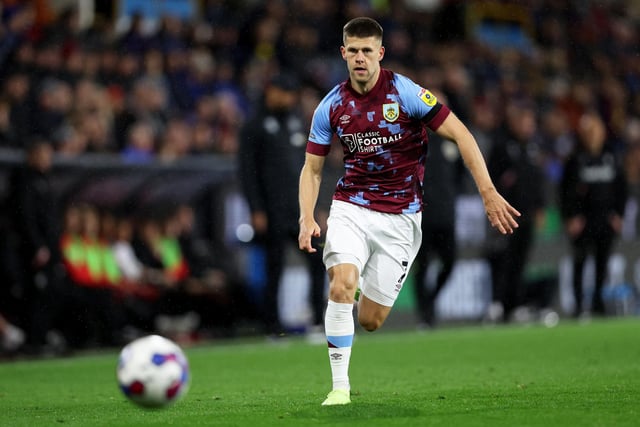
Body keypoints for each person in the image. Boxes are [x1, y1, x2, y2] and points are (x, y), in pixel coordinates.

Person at [297, 17, 520, 406]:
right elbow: (312, 168)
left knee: (370, 320)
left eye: (368, 51)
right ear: (343, 54)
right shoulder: (331, 106)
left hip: (401, 217)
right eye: (353, 51)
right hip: (351, 206)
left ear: (380, 53)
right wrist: (306, 215)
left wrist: (487, 192)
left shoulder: (407, 93)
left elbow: (462, 134)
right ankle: (339, 388)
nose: (360, 58)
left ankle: (360, 290)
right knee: (341, 283)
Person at [239, 72, 327, 336]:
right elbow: (247, 171)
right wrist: (256, 209)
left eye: (292, 94)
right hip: (271, 210)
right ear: (271, 91)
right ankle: (271, 326)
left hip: (300, 211)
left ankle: (316, 320)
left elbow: (310, 170)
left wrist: (316, 206)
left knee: (317, 261)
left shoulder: (295, 122)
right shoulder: (254, 126)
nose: (290, 98)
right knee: (273, 267)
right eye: (285, 93)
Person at [559, 110, 627, 318]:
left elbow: (621, 189)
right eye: (588, 131)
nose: (593, 135)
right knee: (580, 262)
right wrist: (570, 217)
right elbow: (565, 191)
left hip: (605, 219)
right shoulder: (575, 159)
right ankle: (579, 306)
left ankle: (598, 304)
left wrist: (619, 215)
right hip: (582, 220)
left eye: (596, 131)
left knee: (601, 263)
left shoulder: (611, 156)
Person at [484, 100, 546, 323]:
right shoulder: (501, 146)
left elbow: (538, 180)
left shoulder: (532, 147)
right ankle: (498, 303)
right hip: (506, 213)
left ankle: (515, 305)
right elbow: (490, 178)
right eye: (525, 122)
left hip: (527, 213)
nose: (529, 127)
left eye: (531, 123)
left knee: (520, 261)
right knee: (504, 259)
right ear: (514, 122)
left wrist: (540, 207)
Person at [413, 131, 465, 327]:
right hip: (421, 216)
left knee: (450, 262)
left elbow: (460, 172)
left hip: (445, 216)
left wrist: (449, 196)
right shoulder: (412, 139)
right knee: (422, 266)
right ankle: (425, 314)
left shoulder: (450, 141)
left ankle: (431, 300)